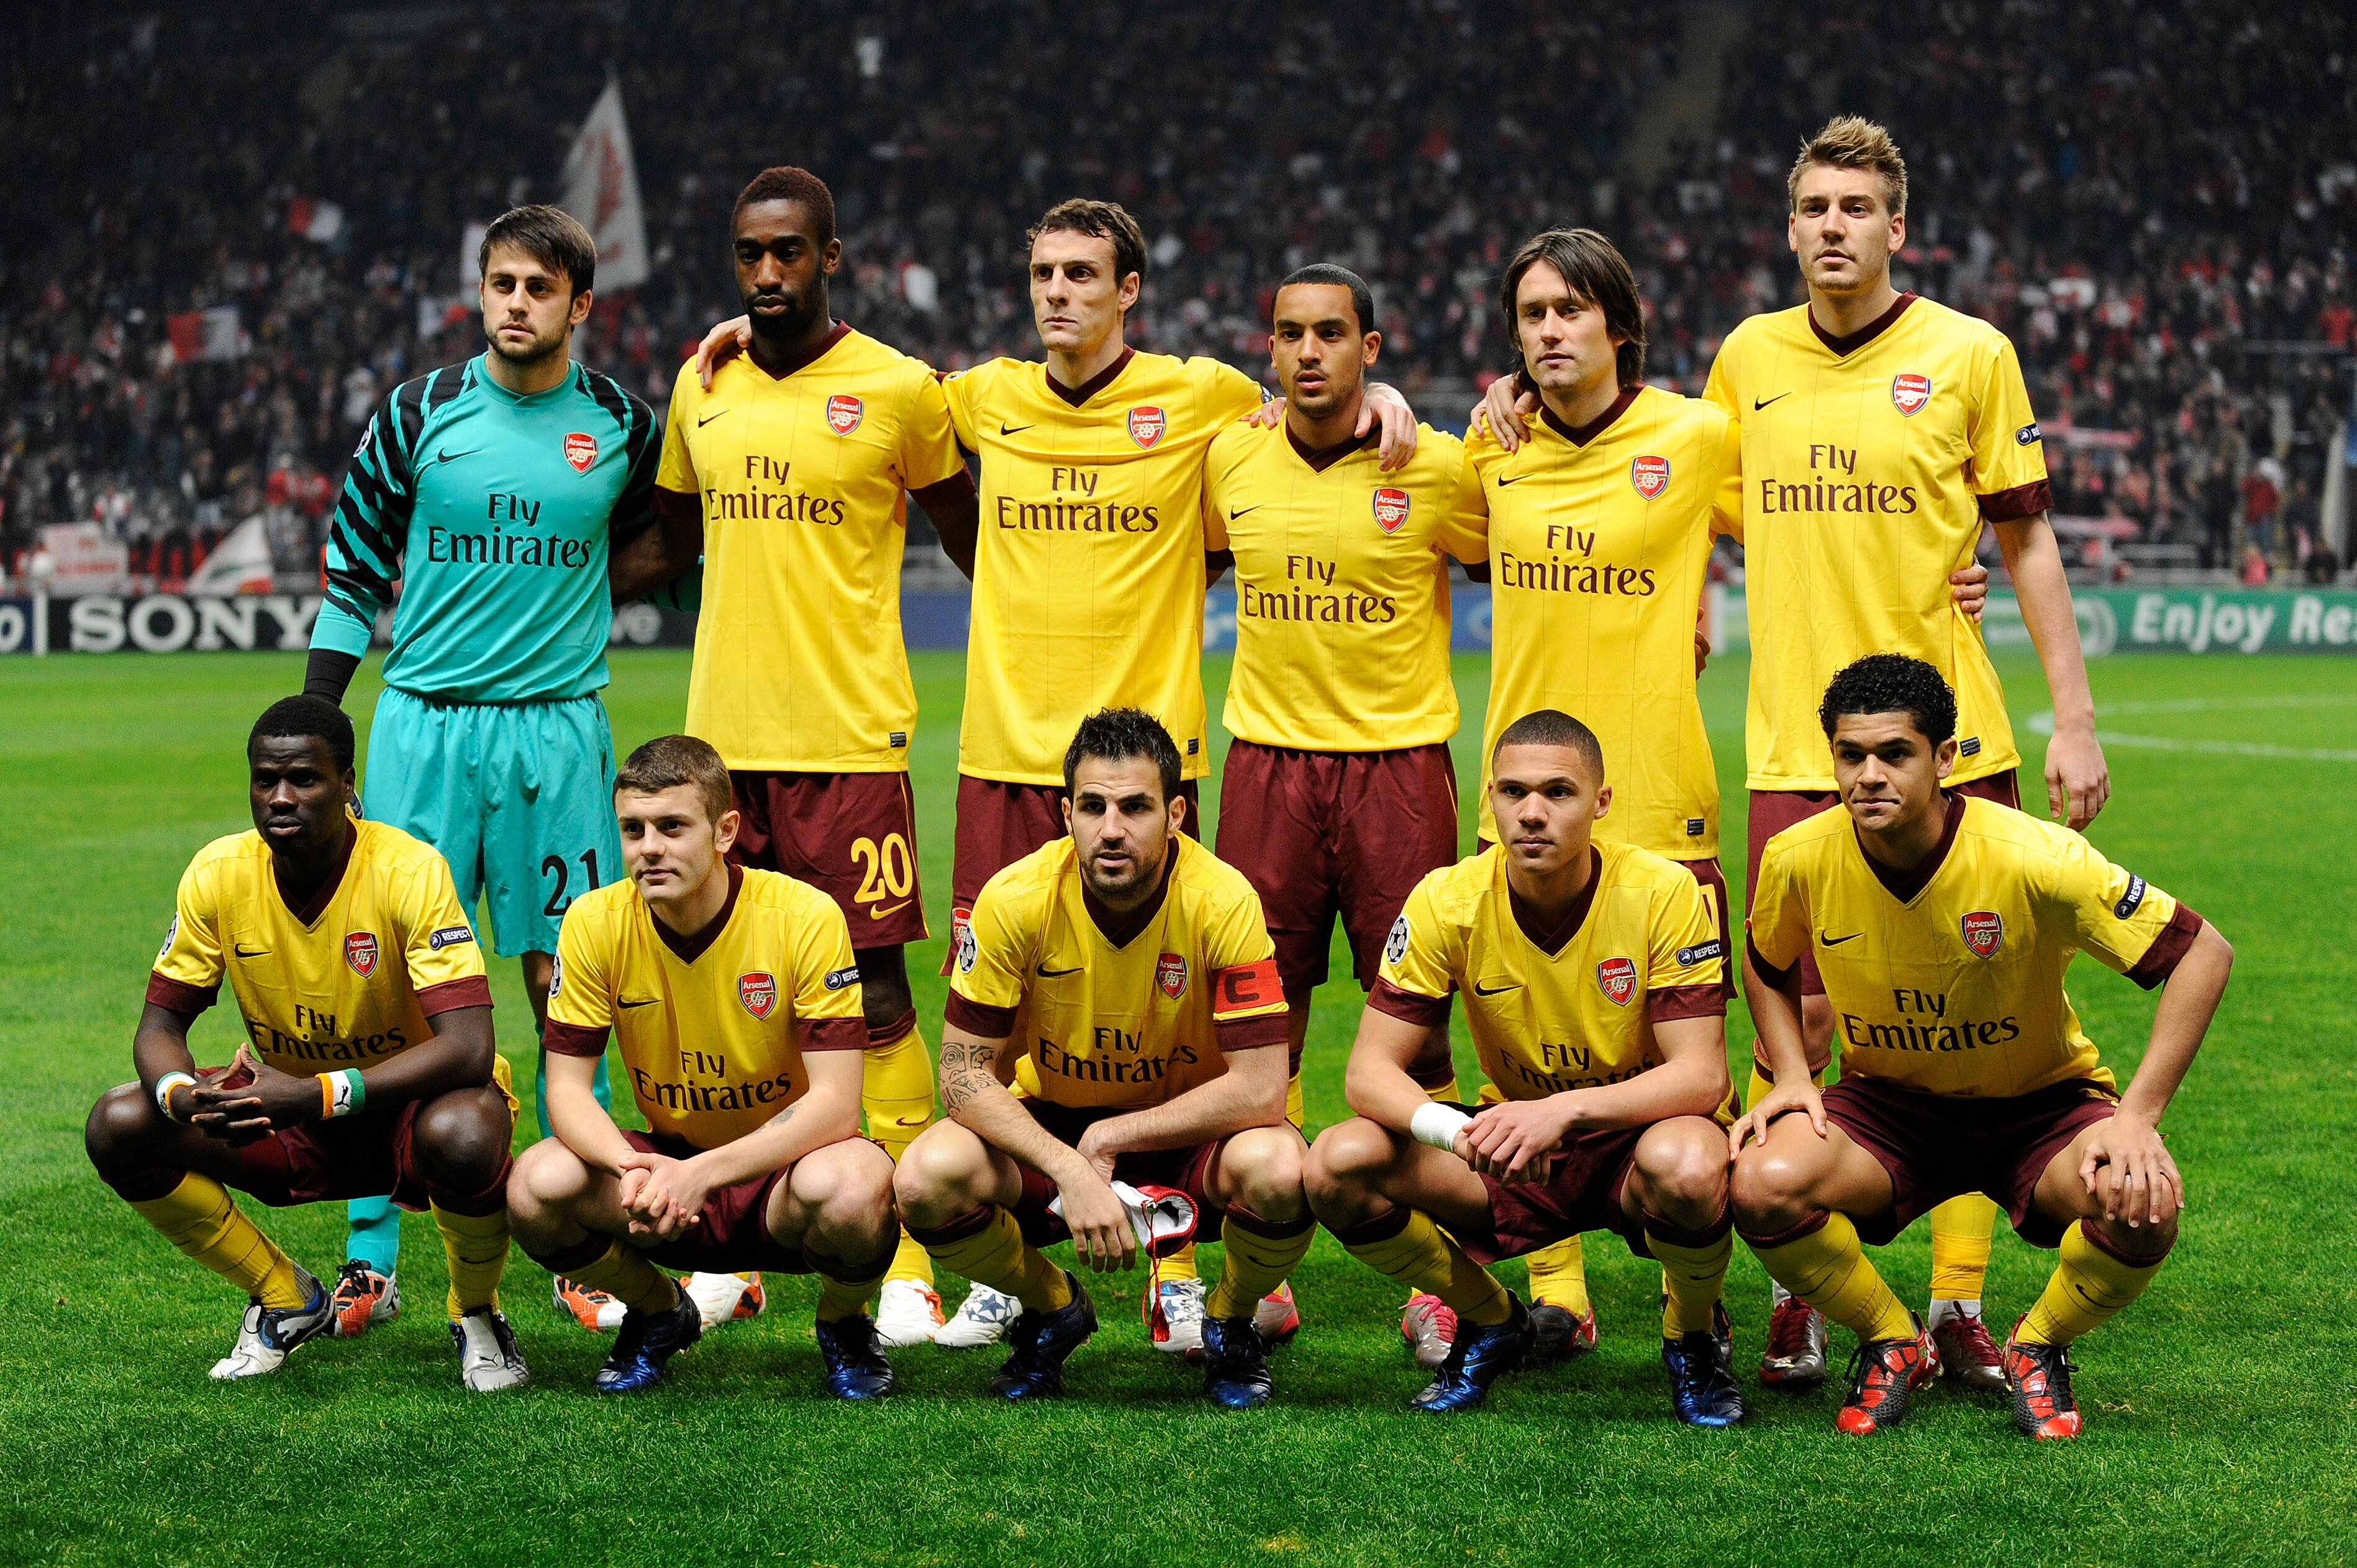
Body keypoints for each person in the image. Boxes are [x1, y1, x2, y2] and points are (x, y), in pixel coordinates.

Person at [696, 197, 1415, 1349]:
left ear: (1130, 289)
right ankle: (995, 1263)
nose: (1058, 293)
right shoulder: (976, 397)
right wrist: (737, 339)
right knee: (998, 1025)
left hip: (1144, 769)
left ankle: (1210, 1262)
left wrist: (1383, 397)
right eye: (1043, 273)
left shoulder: (1204, 398)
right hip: (1006, 762)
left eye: (1083, 273)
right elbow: (847, 382)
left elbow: (1304, 408)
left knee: (1173, 1021)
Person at [1481, 116, 2087, 1387]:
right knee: (1797, 1023)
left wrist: (2068, 713)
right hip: (1788, 750)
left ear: (1895, 227)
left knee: (1975, 1017)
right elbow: (1672, 482)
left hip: (1951, 737)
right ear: (1788, 224)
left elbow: (2024, 538)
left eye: (1855, 207)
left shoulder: (1971, 355)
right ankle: (1807, 1276)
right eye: (1811, 205)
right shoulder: (1745, 361)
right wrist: (1516, 403)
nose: (1830, 225)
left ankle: (1960, 1300)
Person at [627, 166, 982, 1347]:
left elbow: (978, 535)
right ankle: (737, 1246)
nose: (768, 275)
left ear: (833, 255)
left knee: (874, 994)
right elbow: (670, 536)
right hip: (722, 749)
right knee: (730, 994)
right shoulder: (702, 381)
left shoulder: (899, 389)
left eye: (789, 253)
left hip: (847, 742)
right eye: (749, 256)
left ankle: (908, 1252)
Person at [303, 205, 671, 1338]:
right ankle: (373, 1254)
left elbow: (672, 536)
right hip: (423, 725)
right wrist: (322, 720)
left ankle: (581, 1238)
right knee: (392, 990)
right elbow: (353, 568)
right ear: (483, 291)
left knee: (569, 980)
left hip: (558, 733)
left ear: (580, 306)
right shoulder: (419, 413)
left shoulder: (620, 423)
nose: (517, 303)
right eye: (502, 283)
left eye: (540, 288)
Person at [1732, 655, 2230, 1437]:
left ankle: (2040, 1345)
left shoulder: (2036, 857)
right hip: (1888, 1108)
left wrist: (2138, 1116)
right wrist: (1793, 1071)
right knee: (1760, 1181)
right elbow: (1762, 960)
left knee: (2145, 1205)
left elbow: (2202, 952)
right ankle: (1894, 1340)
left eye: (1895, 752)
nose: (1868, 775)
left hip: (2040, 1107)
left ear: (1946, 758)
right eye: (1849, 754)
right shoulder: (1800, 855)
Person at [1302, 710, 1740, 1421]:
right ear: (1491, 800)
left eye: (1558, 792)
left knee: (1691, 1163)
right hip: (1514, 1149)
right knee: (1335, 1161)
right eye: (1513, 792)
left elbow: (1699, 1078)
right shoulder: (1449, 898)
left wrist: (1561, 1111)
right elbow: (1367, 1073)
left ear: (1601, 803)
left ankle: (1691, 1336)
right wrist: (1459, 1135)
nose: (1532, 813)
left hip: (1637, 1140)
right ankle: (1491, 1316)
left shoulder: (1663, 892)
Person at [1199, 262, 1484, 1351]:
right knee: (1253, 1026)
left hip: (1398, 771)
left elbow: (1551, 531)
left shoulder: (1438, 467)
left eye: (1331, 333)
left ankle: (1438, 1278)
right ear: (1267, 353)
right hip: (1266, 768)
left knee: (1415, 1031)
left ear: (1374, 347)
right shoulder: (1231, 453)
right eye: (1289, 334)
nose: (1308, 350)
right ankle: (1257, 1275)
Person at [83, 697, 525, 1389]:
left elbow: (469, 1046)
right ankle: (287, 1296)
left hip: (405, 1111)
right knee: (121, 1121)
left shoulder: (409, 870)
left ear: (348, 784)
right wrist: (180, 1093)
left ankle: (476, 1312)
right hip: (282, 1109)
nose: (281, 796)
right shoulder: (219, 871)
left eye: (305, 779)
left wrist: (319, 1094)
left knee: (468, 1130)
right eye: (265, 779)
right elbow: (160, 1027)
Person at [891, 710, 1310, 1406]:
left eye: (1136, 806)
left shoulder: (1223, 898)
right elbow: (962, 1076)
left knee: (1283, 1169)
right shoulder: (1014, 898)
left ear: (1175, 813)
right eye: (1093, 806)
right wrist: (1067, 1165)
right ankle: (1055, 1308)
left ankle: (1231, 1320)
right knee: (926, 1177)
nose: (1111, 828)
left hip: (1186, 1132)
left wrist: (1111, 1137)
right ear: (1065, 812)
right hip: (1054, 1125)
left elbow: (1264, 1087)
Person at [505, 736, 900, 1397]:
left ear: (725, 832)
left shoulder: (802, 916)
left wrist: (700, 1175)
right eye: (632, 829)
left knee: (859, 1184)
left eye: (672, 826)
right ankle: (659, 1310)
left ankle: (844, 1319)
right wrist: (634, 1168)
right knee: (535, 1182)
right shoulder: (593, 920)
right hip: (664, 1169)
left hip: (784, 1177)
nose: (648, 848)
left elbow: (836, 1104)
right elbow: (567, 1089)